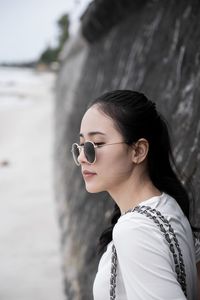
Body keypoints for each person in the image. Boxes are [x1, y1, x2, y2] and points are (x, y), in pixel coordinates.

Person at [71, 90, 200, 299]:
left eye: (97, 144)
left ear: (138, 151)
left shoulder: (135, 230)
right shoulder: (169, 206)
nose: (84, 157)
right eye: (81, 146)